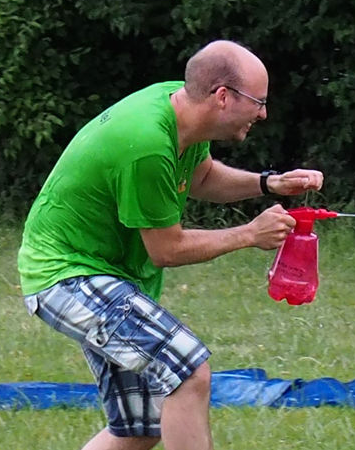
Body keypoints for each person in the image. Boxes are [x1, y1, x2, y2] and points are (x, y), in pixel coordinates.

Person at [17, 40, 324, 449]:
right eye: (258, 101)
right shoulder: (146, 143)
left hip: (106, 275)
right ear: (222, 96)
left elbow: (201, 177)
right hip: (66, 275)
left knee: (140, 428)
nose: (264, 113)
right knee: (188, 369)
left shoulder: (181, 112)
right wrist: (249, 235)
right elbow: (167, 250)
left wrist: (268, 184)